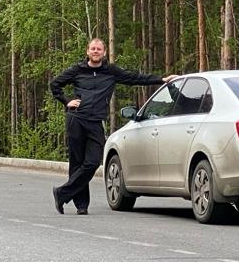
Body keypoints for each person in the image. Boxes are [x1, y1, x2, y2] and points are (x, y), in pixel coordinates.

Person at [48, 38, 176, 215]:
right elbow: (55, 84)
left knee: (92, 162)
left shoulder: (110, 71)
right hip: (76, 119)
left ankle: (62, 193)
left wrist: (161, 80)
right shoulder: (77, 70)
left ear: (104, 53)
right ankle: (81, 205)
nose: (95, 51)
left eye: (99, 49)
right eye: (92, 49)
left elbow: (134, 78)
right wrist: (67, 101)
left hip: (95, 122)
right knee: (77, 163)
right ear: (87, 52)